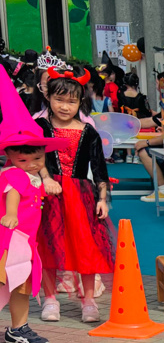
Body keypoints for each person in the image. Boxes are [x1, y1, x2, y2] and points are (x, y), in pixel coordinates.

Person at [37, 70, 115, 323]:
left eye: (71, 102)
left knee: (86, 246)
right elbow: (35, 157)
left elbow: (100, 169)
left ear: (80, 102)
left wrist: (102, 199)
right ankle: (50, 300)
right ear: (48, 97)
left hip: (81, 196)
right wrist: (46, 177)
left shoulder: (88, 131)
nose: (64, 107)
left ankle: (88, 301)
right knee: (48, 245)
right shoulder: (41, 127)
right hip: (48, 195)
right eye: (59, 100)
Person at [0, 66, 62, 343]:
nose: (32, 164)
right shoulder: (15, 175)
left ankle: (18, 328)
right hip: (13, 240)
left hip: (25, 240)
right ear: (10, 156)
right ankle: (18, 328)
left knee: (21, 286)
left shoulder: (32, 175)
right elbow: (13, 196)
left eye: (37, 158)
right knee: (14, 282)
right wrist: (11, 214)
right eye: (23, 159)